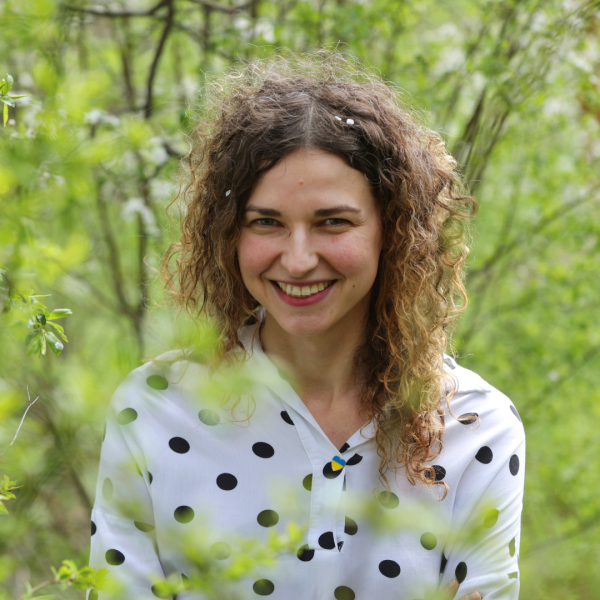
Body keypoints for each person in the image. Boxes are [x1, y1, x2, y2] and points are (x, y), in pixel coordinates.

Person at [88, 51, 525, 600]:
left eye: (332, 222)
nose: (297, 260)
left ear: (391, 232)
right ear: (229, 235)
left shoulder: (476, 427)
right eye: (266, 222)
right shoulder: (154, 407)